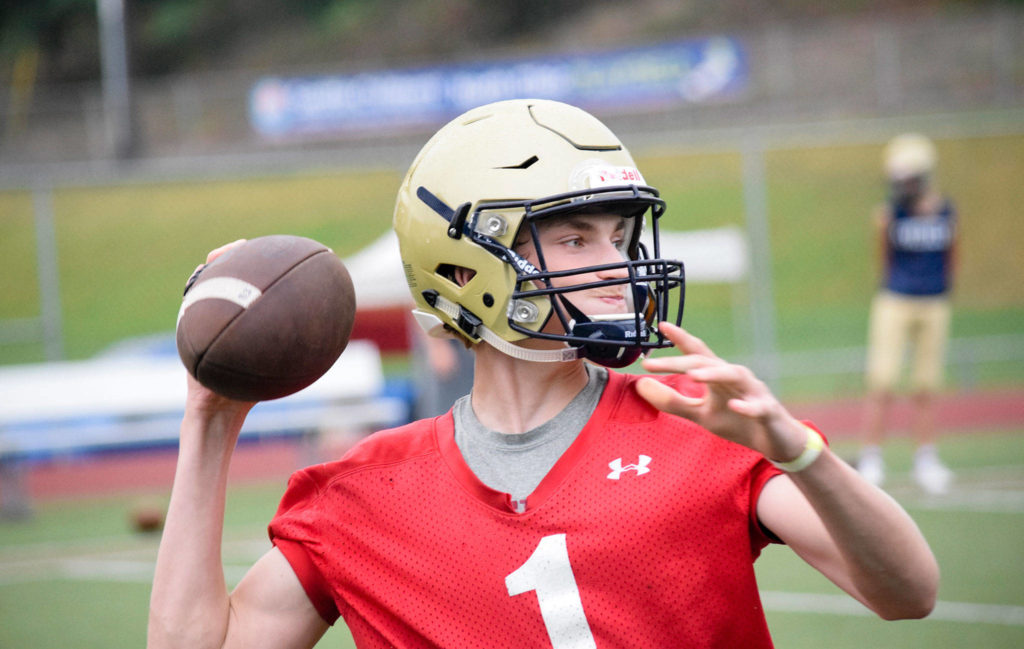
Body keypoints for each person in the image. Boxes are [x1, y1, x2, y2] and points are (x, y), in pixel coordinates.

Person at [149, 100, 938, 649]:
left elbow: (908, 592)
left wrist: (802, 452)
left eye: (620, 236)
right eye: (574, 239)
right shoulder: (360, 498)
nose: (617, 266)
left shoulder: (698, 416)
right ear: (465, 265)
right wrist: (210, 420)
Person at [858, 133, 957, 495]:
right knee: (882, 381)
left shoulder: (946, 211)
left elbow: (952, 256)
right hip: (896, 299)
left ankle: (926, 459)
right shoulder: (888, 214)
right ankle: (872, 458)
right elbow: (882, 259)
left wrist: (941, 289)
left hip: (934, 301)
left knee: (926, 385)